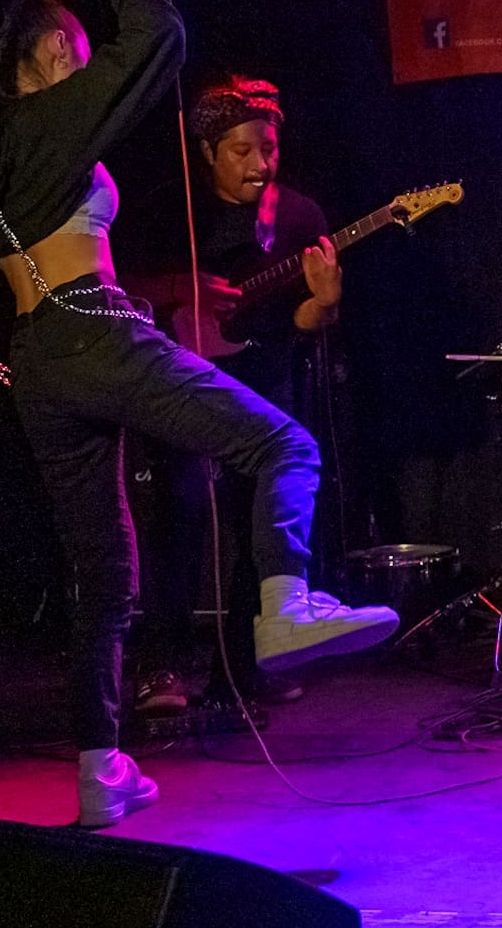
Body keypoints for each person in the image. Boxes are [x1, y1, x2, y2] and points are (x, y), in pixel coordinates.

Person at [0, 0, 396, 828]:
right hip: (92, 329)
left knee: (103, 570)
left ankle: (101, 768)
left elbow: (30, 48)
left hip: (39, 359)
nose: (82, 59)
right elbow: (160, 35)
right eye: (70, 49)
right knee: (286, 445)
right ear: (45, 62)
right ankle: (284, 606)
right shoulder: (50, 121)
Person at [119, 76, 348, 714]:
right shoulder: (169, 212)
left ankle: (245, 667)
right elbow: (116, 283)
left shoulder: (299, 217)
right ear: (208, 151)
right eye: (243, 151)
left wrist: (324, 303)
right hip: (178, 380)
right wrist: (180, 287)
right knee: (180, 510)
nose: (260, 164)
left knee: (258, 521)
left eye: (268, 149)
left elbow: (300, 323)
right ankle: (162, 664)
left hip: (264, 379)